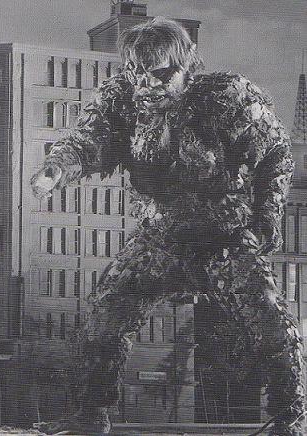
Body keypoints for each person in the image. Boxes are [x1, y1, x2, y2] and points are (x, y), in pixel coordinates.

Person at [31, 17, 305, 436]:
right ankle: (90, 413)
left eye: (159, 75)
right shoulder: (121, 99)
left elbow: (276, 155)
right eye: (137, 73)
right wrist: (57, 168)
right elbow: (90, 140)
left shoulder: (229, 97)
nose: (147, 86)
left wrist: (266, 216)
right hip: (160, 238)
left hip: (224, 238)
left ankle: (291, 418)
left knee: (270, 320)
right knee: (105, 316)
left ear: (186, 67)